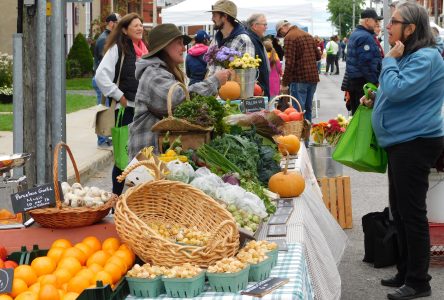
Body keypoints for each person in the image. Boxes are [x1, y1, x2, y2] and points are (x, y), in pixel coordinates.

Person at [363, 3, 444, 299]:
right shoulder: (410, 55)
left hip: (415, 142)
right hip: (402, 141)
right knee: (399, 210)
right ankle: (406, 269)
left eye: (393, 22)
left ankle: (419, 281)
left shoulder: (426, 57)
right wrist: (375, 99)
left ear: (410, 28)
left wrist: (388, 61)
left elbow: (398, 89)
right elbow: (395, 92)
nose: (387, 26)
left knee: (412, 214)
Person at [128, 24, 231, 160]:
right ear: (164, 46)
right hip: (147, 157)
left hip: (159, 153)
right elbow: (179, 99)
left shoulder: (167, 71)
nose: (183, 48)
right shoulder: (153, 74)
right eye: (179, 43)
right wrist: (214, 81)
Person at [95, 13, 148, 196]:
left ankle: (136, 201)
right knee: (122, 159)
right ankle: (116, 200)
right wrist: (120, 96)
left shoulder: (144, 49)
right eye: (135, 25)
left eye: (141, 25)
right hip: (125, 110)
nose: (140, 28)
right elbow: (100, 76)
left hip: (142, 110)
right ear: (125, 30)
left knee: (140, 159)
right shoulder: (118, 49)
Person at [276, 20, 321, 126]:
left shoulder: (289, 38)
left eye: (280, 33)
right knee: (308, 109)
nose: (282, 35)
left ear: (283, 28)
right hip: (313, 78)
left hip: (299, 79)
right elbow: (318, 56)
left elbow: (289, 63)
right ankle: (306, 138)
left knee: (298, 112)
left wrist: (284, 83)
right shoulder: (308, 35)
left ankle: (299, 138)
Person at [345, 8, 382, 115]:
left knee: (357, 114)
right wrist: (374, 82)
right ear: (367, 21)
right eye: (375, 20)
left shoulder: (356, 34)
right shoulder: (365, 37)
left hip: (355, 81)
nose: (377, 23)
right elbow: (366, 63)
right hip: (363, 83)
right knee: (364, 116)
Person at [93, 13, 120, 148]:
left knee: (106, 109)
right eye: (117, 22)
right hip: (102, 81)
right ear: (111, 23)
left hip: (105, 81)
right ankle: (102, 140)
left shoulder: (108, 37)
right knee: (102, 109)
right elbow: (106, 62)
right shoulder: (105, 39)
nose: (119, 25)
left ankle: (105, 137)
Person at [207, 0, 254, 76]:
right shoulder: (216, 39)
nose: (212, 19)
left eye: (214, 15)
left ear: (224, 16)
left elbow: (247, 75)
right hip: (212, 87)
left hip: (231, 87)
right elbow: (210, 68)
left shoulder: (244, 40)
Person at [246, 13, 270, 98]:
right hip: (257, 91)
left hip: (259, 90)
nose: (266, 27)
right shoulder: (250, 40)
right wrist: (261, 88)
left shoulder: (255, 39)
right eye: (264, 24)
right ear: (255, 26)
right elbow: (248, 67)